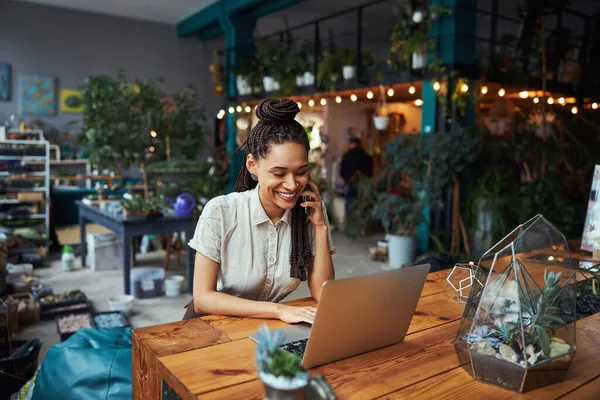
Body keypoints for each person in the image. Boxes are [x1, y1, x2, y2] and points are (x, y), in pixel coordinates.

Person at [183, 98, 336, 324]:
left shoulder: (309, 212)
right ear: (252, 165)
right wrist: (277, 311)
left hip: (262, 328)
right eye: (279, 173)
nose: (292, 185)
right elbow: (203, 298)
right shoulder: (221, 212)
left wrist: (320, 227)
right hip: (210, 326)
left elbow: (322, 293)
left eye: (301, 171)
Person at [340, 137, 373, 219]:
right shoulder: (366, 156)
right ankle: (362, 224)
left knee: (349, 204)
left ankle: (350, 224)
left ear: (351, 144)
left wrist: (348, 178)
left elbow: (342, 171)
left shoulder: (346, 156)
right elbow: (370, 172)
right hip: (363, 184)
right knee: (362, 204)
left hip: (350, 183)